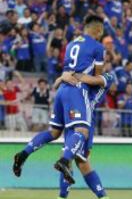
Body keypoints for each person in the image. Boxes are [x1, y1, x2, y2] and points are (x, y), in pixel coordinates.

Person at [13, 15, 105, 185]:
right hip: (78, 90)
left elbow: (66, 70)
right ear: (98, 30)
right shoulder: (98, 47)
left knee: (54, 132)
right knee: (82, 131)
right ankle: (64, 161)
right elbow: (97, 76)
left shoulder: (70, 45)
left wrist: (61, 78)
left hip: (62, 90)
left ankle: (23, 154)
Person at [41, 72, 115, 199]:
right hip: (76, 121)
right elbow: (57, 84)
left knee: (71, 159)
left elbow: (98, 80)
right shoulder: (86, 82)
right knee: (82, 163)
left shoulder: (102, 78)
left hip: (85, 123)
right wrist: (63, 77)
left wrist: (73, 75)